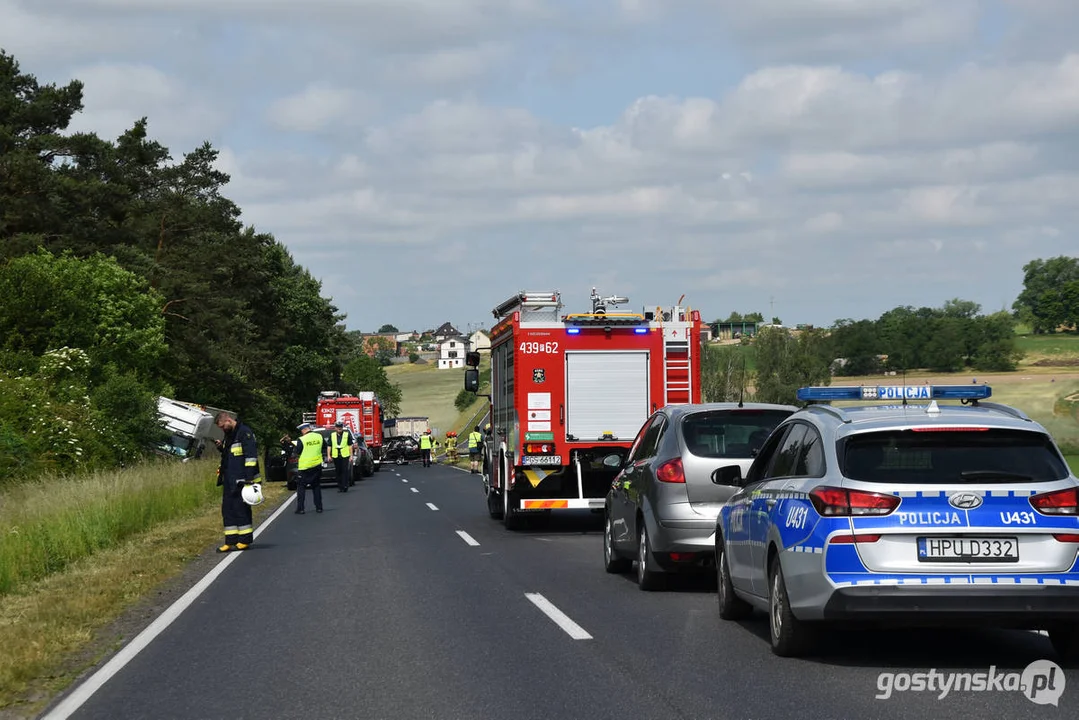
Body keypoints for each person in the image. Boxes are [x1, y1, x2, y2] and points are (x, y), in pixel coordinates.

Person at [214, 412, 260, 552]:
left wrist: (249, 479)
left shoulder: (245, 433)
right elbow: (231, 455)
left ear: (228, 420)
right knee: (227, 510)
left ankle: (244, 540)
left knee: (241, 509)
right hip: (229, 479)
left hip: (242, 479)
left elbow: (251, 458)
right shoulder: (230, 434)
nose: (222, 429)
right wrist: (221, 447)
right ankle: (230, 541)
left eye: (223, 426)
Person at [292, 423, 324, 514]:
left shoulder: (302, 439)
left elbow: (298, 451)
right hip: (317, 465)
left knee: (301, 487)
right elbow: (324, 447)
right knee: (316, 486)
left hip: (304, 467)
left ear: (303, 430)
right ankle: (319, 507)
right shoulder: (319, 436)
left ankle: (300, 508)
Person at [327, 420, 357, 492]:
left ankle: (345, 486)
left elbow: (350, 446)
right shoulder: (332, 435)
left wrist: (351, 456)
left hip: (345, 455)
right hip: (336, 456)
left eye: (340, 427)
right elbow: (329, 446)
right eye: (338, 427)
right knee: (338, 471)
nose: (339, 428)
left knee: (345, 471)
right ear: (335, 428)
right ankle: (340, 486)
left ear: (342, 427)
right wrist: (329, 455)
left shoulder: (347, 435)